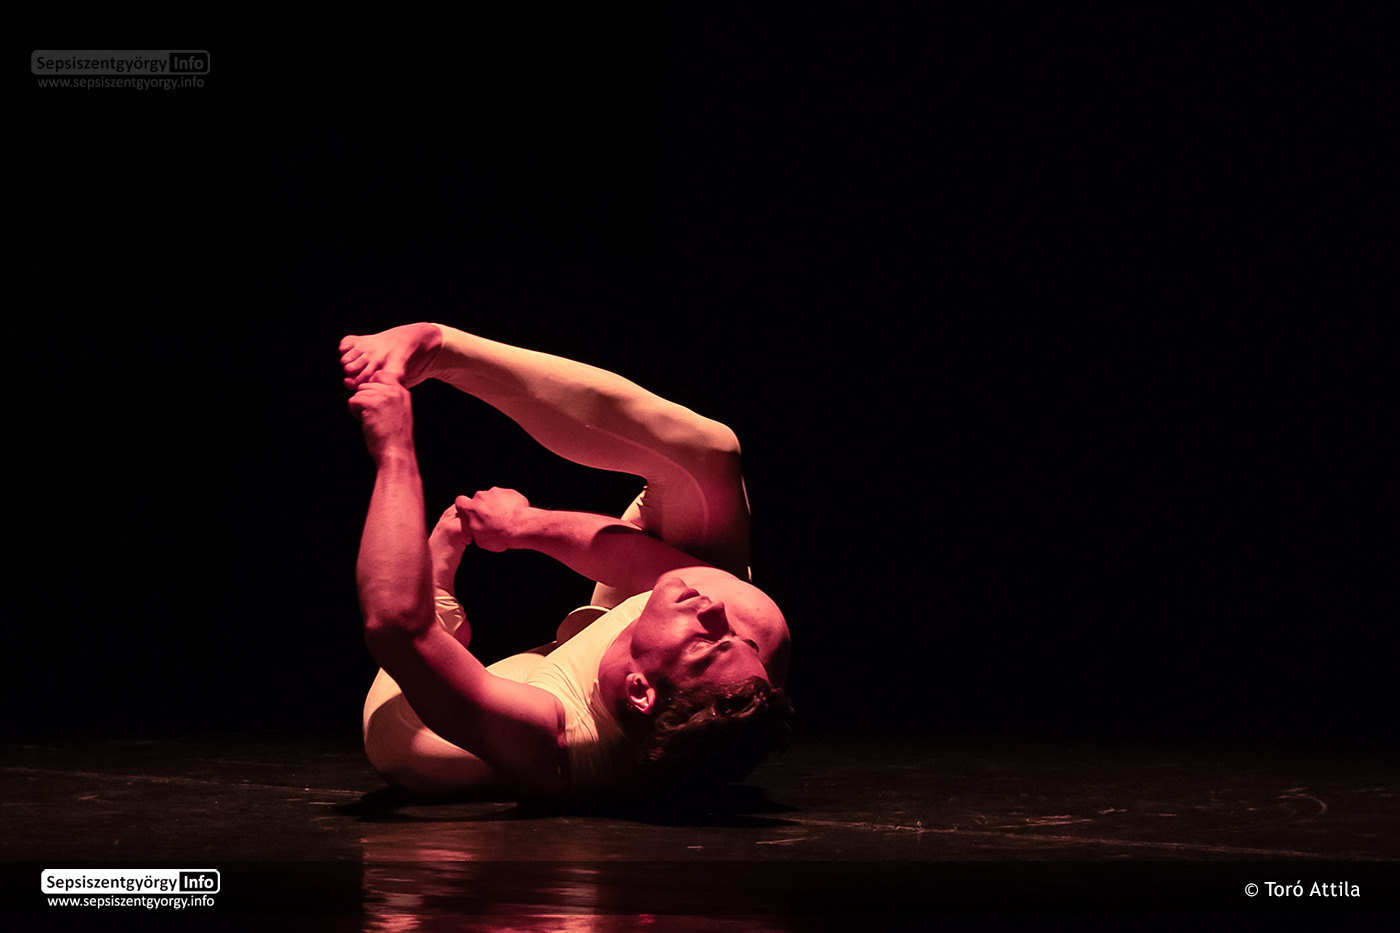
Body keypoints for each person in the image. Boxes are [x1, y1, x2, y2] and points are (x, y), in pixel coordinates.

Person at [342, 323, 792, 800]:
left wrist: (393, 449)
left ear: (639, 691)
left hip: (452, 725)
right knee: (709, 457)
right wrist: (521, 524)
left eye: (707, 642)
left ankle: (437, 601)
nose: (716, 612)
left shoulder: (552, 741)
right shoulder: (753, 629)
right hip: (637, 664)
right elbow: (640, 565)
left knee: (404, 742)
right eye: (737, 640)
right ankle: (440, 348)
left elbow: (395, 626)